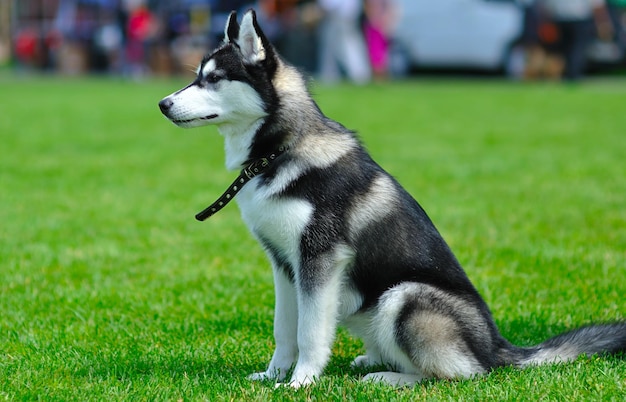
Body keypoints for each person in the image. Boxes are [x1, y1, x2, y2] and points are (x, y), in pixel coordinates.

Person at [539, 0, 613, 81]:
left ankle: (569, 74)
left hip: (562, 18)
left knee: (568, 50)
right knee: (576, 49)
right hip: (577, 18)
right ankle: (572, 74)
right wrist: (603, 22)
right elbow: (596, 4)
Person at [317, 0, 371, 84]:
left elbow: (329, 5)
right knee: (330, 51)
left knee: (349, 47)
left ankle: (359, 75)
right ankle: (329, 76)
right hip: (337, 18)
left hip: (341, 19)